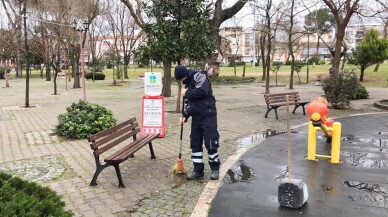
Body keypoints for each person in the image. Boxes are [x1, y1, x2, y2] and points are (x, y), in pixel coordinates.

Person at [174, 65, 220, 180]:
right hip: (196, 117)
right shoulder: (188, 84)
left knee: (210, 142)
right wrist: (185, 115)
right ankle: (198, 170)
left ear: (185, 76)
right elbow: (190, 104)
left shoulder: (200, 76)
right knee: (195, 143)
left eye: (181, 79)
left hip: (208, 115)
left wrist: (186, 93)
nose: (181, 81)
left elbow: (202, 91)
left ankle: (215, 169)